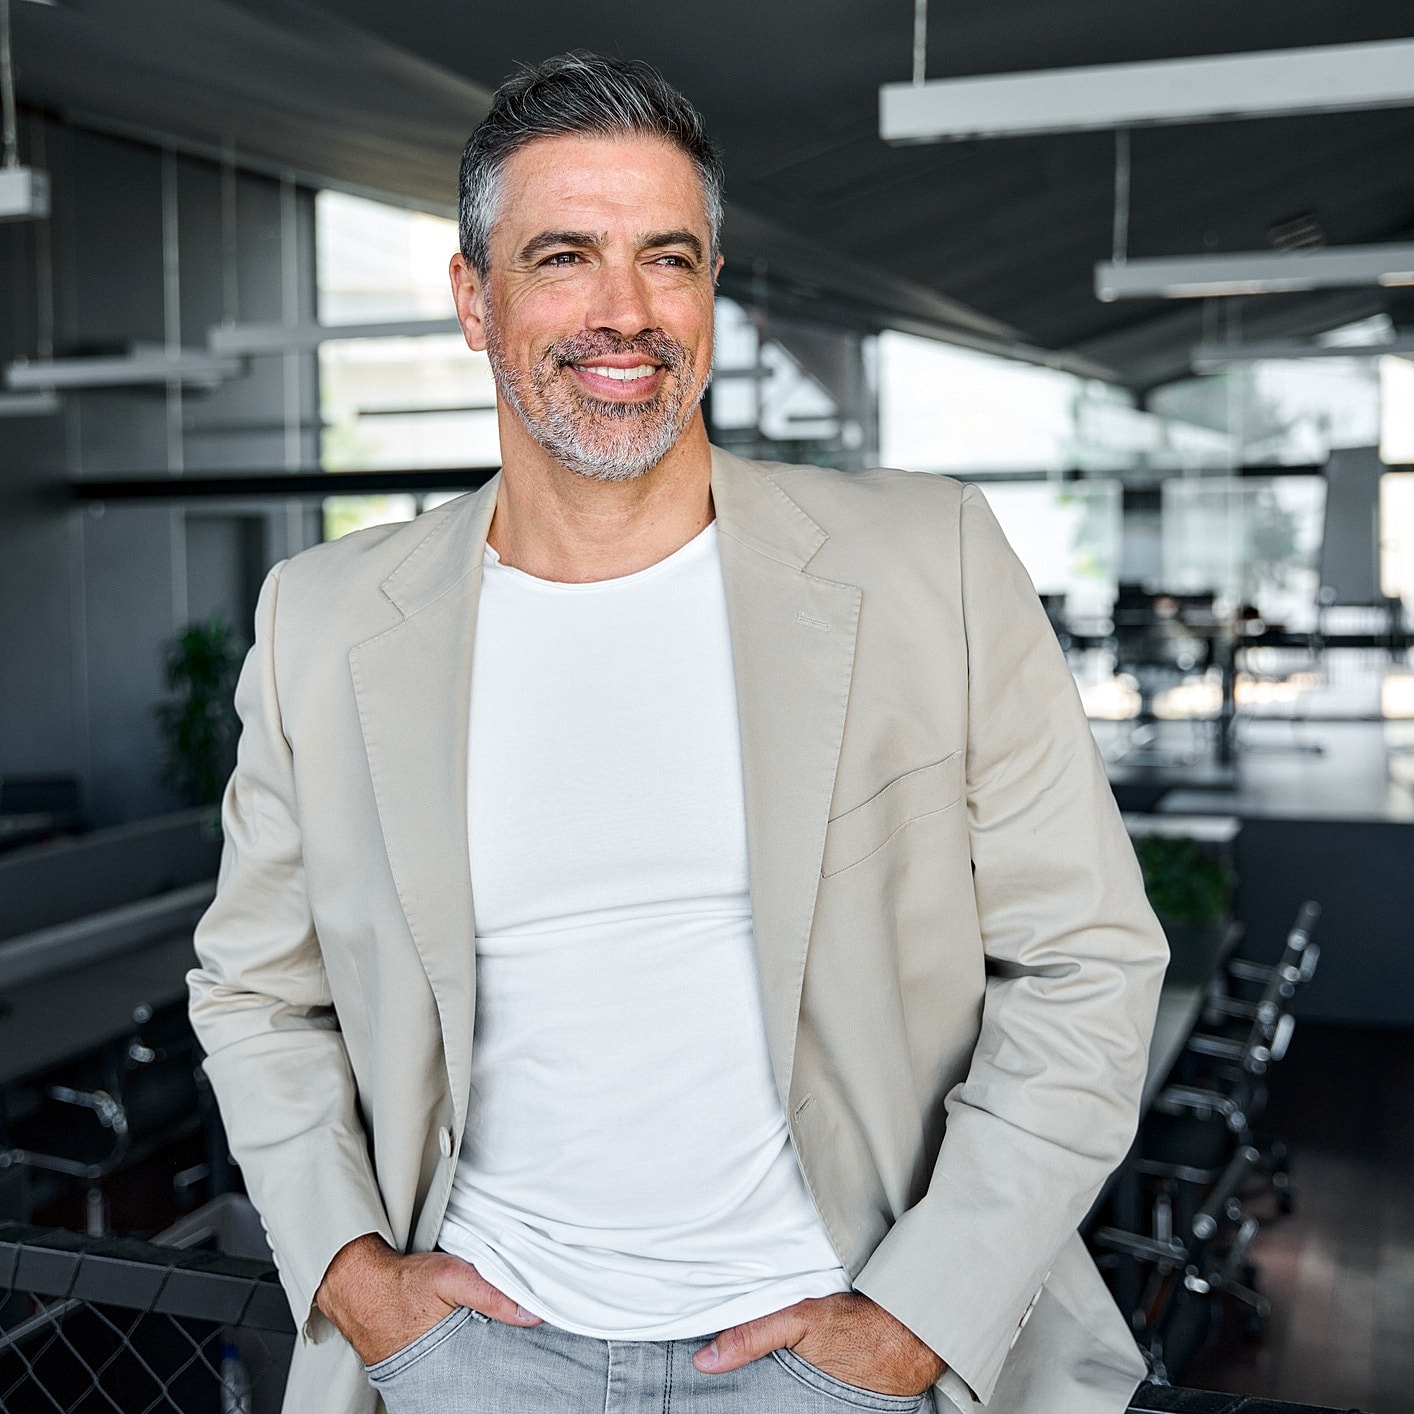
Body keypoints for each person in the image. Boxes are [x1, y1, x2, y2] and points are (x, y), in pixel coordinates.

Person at [188, 51, 1167, 1414]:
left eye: (666, 257)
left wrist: (913, 1314)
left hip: (836, 1361)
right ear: (474, 298)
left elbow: (1086, 960)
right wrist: (350, 1267)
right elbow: (254, 988)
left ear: (710, 283)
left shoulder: (923, 563)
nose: (623, 311)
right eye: (563, 256)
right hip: (468, 1356)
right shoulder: (323, 618)